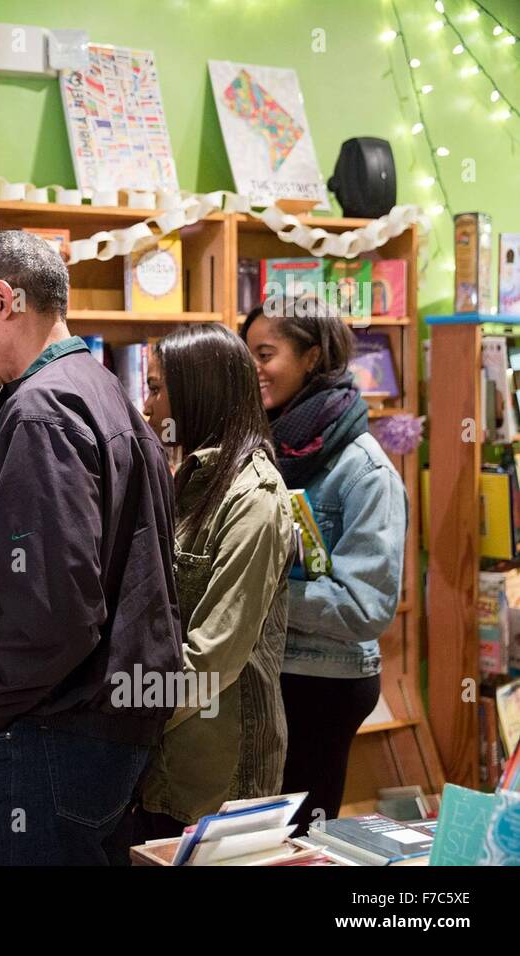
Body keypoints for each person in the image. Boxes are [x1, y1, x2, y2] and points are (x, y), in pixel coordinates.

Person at [0, 230, 182, 866]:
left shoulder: (41, 410)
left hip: (47, 729)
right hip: (100, 722)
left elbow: (55, 608)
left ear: (5, 298)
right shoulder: (102, 389)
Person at [241, 297, 407, 827]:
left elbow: (366, 608)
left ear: (312, 357)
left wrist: (254, 595)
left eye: (266, 354)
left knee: (301, 837)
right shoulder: (262, 446)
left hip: (324, 681)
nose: (255, 371)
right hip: (269, 673)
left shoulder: (365, 471)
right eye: (248, 357)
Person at [134, 323, 295, 841]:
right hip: (168, 763)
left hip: (218, 778)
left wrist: (123, 709)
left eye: (157, 388)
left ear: (195, 393)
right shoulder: (189, 480)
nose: (147, 405)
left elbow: (214, 655)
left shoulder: (255, 499)